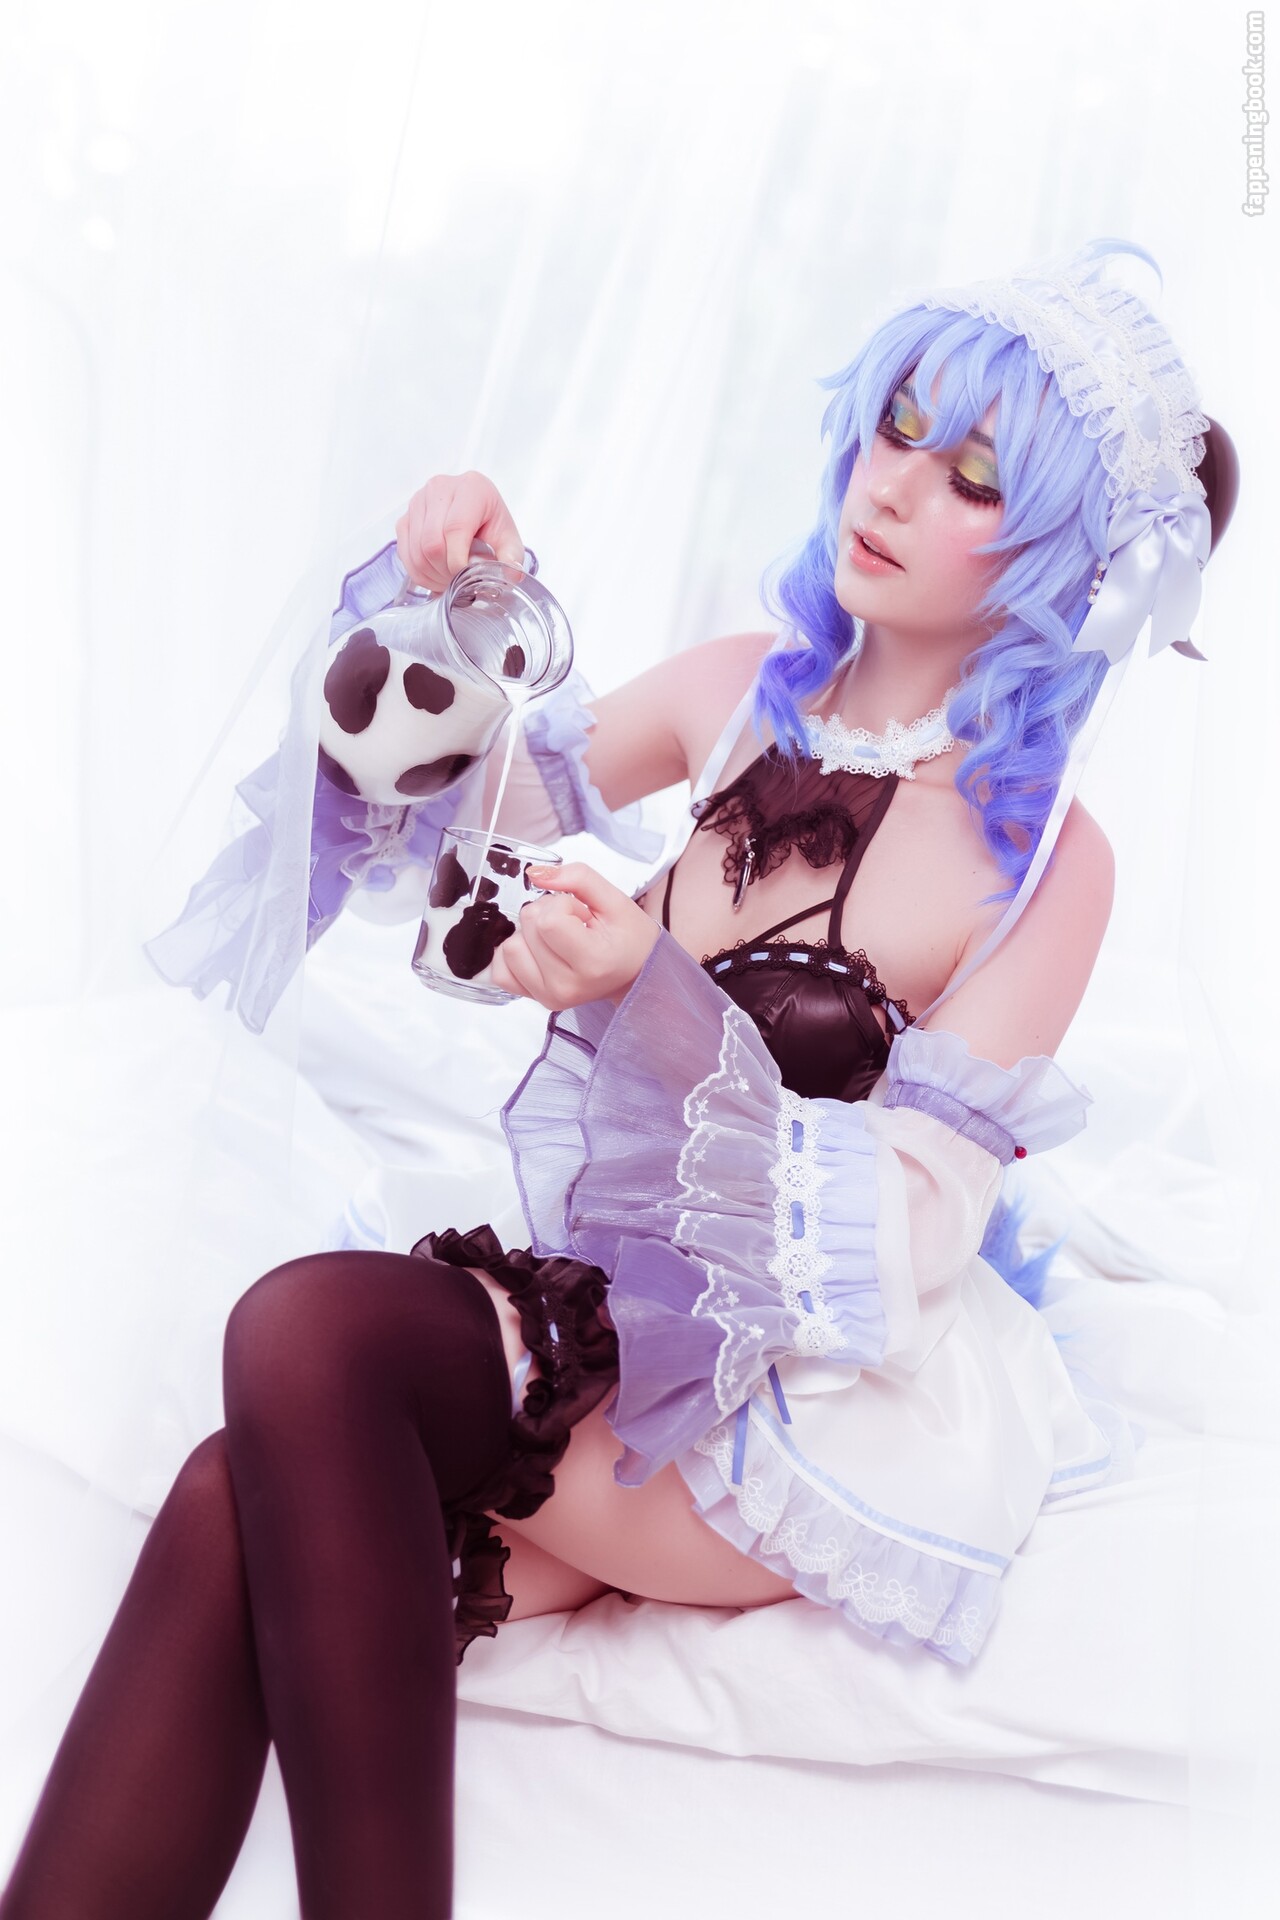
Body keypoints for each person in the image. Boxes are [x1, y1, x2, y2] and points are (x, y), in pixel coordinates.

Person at [0, 237, 1238, 1919]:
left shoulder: (1044, 865)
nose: (892, 487)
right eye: (895, 427)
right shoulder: (739, 695)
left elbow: (915, 1231)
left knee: (311, 1326)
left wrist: (647, 991)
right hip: (606, 1320)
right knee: (233, 1493)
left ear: (1069, 560)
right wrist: (479, 601)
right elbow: (471, 798)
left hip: (790, 1411)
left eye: (976, 478)